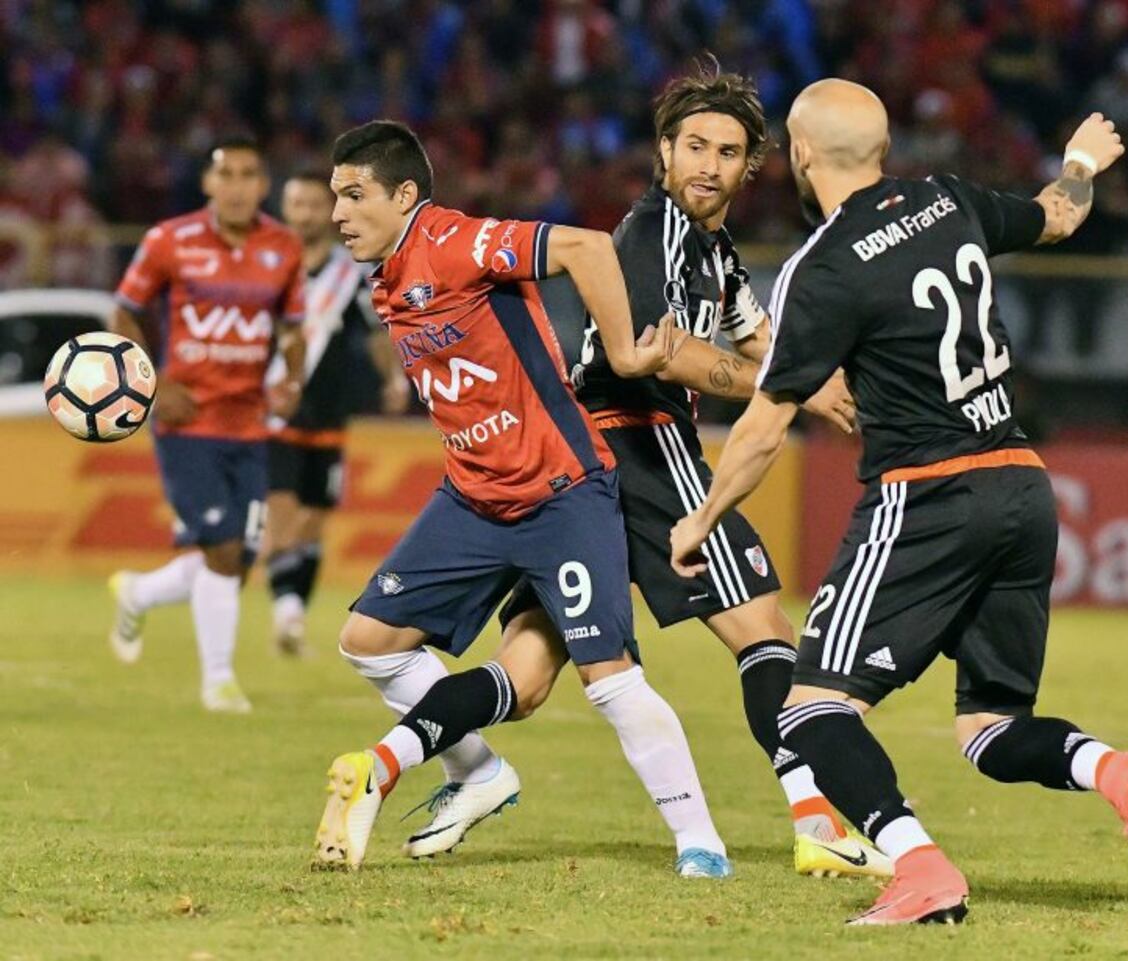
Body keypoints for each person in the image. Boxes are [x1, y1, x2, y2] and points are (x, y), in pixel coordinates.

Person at [671, 80, 1128, 924]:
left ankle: (920, 867)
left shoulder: (824, 265)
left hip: (928, 496)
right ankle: (1116, 771)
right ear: (880, 150)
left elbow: (766, 426)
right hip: (1023, 482)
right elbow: (1058, 214)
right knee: (990, 728)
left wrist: (703, 515)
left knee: (809, 712)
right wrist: (1082, 162)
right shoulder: (947, 200)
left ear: (800, 155)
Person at [498, 61, 890, 880]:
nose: (708, 165)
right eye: (695, 147)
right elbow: (660, 358)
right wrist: (801, 391)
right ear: (663, 151)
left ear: (751, 166)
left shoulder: (710, 248)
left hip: (583, 465)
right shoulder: (653, 236)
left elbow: (756, 334)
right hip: (640, 443)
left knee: (527, 673)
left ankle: (403, 757)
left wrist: (831, 374)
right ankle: (816, 818)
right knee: (766, 633)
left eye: (728, 151)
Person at [313, 120, 734, 878]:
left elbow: (586, 247)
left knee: (606, 680)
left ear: (404, 195)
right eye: (333, 196)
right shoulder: (385, 272)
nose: (337, 212)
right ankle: (476, 772)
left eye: (353, 195)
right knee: (368, 641)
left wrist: (628, 349)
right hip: (473, 497)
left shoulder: (453, 242)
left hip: (560, 492)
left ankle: (700, 841)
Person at [107, 136, 306, 713]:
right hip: (186, 420)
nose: (239, 186)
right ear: (208, 183)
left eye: (250, 174)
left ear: (263, 186)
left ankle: (137, 592)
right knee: (221, 550)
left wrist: (290, 379)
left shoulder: (284, 247)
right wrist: (151, 383)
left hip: (249, 423)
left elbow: (292, 327)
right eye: (228, 174)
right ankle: (218, 681)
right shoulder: (169, 240)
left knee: (237, 561)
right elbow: (124, 309)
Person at [264, 171, 408, 657]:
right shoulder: (268, 268)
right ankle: (285, 610)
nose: (303, 213)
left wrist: (393, 378)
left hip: (330, 414)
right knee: (280, 526)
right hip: (276, 414)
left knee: (313, 524)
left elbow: (373, 332)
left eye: (311, 204)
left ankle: (291, 611)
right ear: (285, 209)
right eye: (295, 204)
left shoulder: (348, 274)